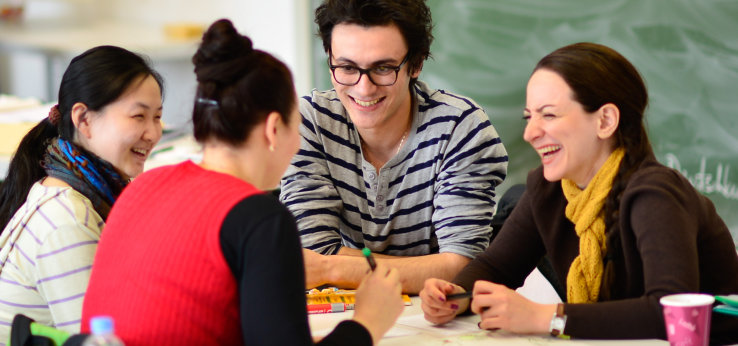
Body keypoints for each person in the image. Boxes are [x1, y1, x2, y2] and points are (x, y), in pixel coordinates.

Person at [81, 19, 404, 345]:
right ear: (273, 128)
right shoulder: (259, 218)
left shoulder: (143, 186)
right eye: (298, 127)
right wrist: (366, 323)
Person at [419, 42, 738, 343]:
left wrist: (546, 318)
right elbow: (496, 268)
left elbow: (667, 313)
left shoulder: (654, 194)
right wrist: (453, 295)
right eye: (529, 117)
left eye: (549, 115)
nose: (530, 133)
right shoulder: (549, 188)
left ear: (605, 120)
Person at [279, 0, 508, 294]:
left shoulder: (460, 127)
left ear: (416, 64)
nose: (364, 88)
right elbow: (310, 254)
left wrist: (332, 267)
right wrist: (424, 270)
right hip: (342, 313)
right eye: (347, 67)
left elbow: (462, 267)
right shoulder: (308, 121)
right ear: (329, 58)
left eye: (383, 68)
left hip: (436, 320)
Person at [0, 46, 163, 340]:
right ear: (84, 119)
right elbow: (93, 340)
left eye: (157, 117)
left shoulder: (67, 192)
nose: (153, 133)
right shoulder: (66, 221)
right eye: (139, 116)